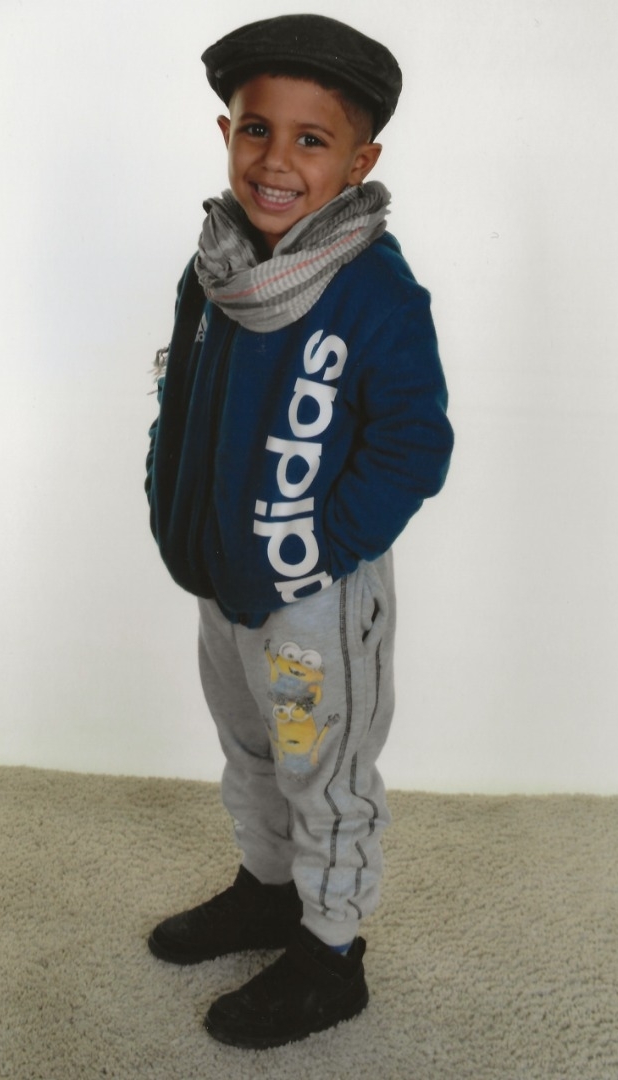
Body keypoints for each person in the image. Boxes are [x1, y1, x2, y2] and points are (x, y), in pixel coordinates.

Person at [144, 13, 454, 1050]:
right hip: (220, 578)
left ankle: (330, 953)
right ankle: (269, 890)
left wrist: (320, 547)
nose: (276, 160)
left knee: (322, 768)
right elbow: (179, 400)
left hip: (313, 602)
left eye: (311, 140)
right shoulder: (214, 268)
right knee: (249, 745)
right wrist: (170, 503)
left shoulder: (375, 291)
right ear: (226, 132)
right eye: (255, 129)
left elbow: (414, 442)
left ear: (360, 161)